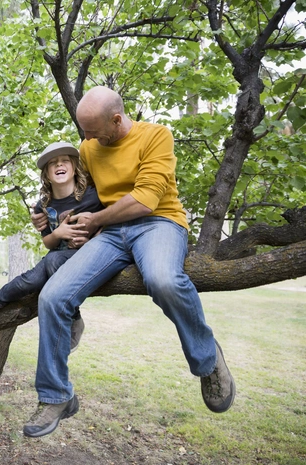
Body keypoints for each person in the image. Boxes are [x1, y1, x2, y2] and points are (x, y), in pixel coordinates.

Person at [22, 86, 235, 439]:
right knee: (52, 297)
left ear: (117, 119)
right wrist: (46, 218)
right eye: (84, 131)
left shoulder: (156, 136)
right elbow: (76, 192)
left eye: (92, 131)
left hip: (159, 223)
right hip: (108, 233)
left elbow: (146, 200)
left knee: (163, 280)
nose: (86, 140)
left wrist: (96, 220)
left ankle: (208, 360)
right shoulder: (90, 149)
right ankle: (56, 396)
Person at [0, 141, 104, 353]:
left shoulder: (92, 195)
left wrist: (92, 238)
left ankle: (73, 318)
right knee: (30, 280)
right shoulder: (44, 206)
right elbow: (48, 242)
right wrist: (58, 233)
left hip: (87, 256)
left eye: (65, 161)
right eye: (53, 163)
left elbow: (110, 223)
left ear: (75, 168)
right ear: (47, 174)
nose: (59, 165)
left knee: (52, 262)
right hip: (58, 255)